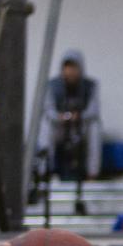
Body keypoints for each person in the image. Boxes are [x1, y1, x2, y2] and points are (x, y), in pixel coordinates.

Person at [39, 51, 102, 180]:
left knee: (95, 127)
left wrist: (78, 116)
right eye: (67, 68)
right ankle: (44, 172)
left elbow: (93, 110)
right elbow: (48, 110)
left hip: (81, 126)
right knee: (45, 126)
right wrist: (62, 117)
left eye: (74, 68)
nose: (70, 72)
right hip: (60, 127)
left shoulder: (90, 85)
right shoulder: (53, 85)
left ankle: (92, 174)